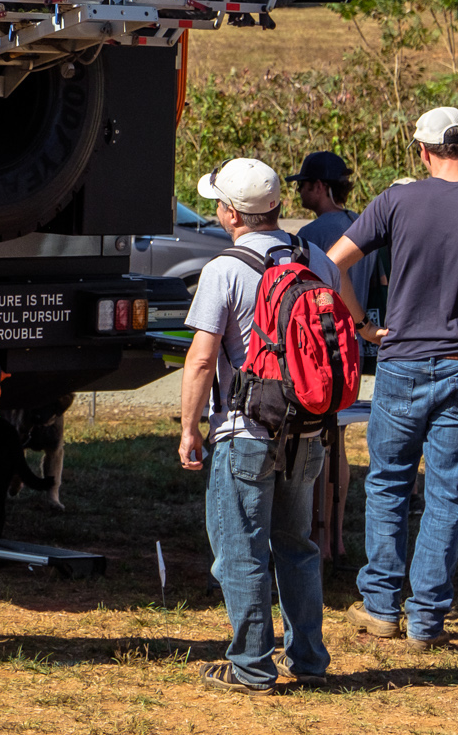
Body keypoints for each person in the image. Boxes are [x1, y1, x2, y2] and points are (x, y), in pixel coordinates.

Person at [323, 106, 458, 650]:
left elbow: (333, 264)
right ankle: (426, 621)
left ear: (422, 151)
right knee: (448, 496)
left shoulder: (396, 200)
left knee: (388, 483)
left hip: (401, 362)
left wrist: (362, 326)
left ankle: (380, 607)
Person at [178, 158, 343, 692]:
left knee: (240, 550)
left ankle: (251, 665)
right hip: (307, 430)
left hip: (244, 432)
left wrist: (188, 429)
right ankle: (310, 661)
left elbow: (203, 361)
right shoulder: (316, 258)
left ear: (231, 213)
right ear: (275, 206)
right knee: (297, 545)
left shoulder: (222, 269)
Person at [288, 152, 375, 307]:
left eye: (301, 185)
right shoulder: (363, 223)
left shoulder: (310, 234)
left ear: (319, 186)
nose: (298, 191)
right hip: (362, 328)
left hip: (328, 328)